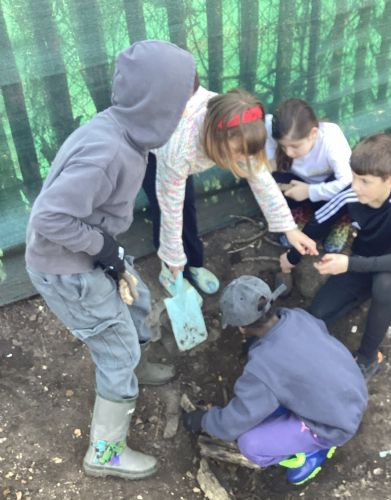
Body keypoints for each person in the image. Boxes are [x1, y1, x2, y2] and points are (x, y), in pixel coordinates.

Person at [25, 41, 196, 479]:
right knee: (115, 350)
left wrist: (110, 254)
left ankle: (136, 363)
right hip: (67, 269)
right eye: (178, 104)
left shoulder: (125, 130)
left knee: (138, 301)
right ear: (154, 105)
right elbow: (50, 217)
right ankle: (104, 452)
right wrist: (104, 251)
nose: (182, 113)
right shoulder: (106, 153)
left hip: (89, 249)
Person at [182, 275, 368, 485]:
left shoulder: (263, 367)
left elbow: (233, 423)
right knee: (270, 401)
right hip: (353, 388)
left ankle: (313, 452)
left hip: (333, 426)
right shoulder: (297, 316)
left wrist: (204, 420)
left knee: (250, 444)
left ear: (242, 327)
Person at [149, 87, 318, 298]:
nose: (241, 160)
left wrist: (289, 229)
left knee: (188, 208)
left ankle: (193, 264)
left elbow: (262, 179)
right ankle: (169, 272)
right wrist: (173, 256)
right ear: (216, 139)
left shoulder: (238, 126)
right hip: (155, 148)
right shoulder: (180, 151)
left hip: (187, 148)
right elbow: (170, 208)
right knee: (166, 210)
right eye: (237, 153)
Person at [280, 134, 391, 380]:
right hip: (362, 261)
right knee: (317, 314)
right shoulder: (352, 194)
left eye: (365, 181)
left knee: (384, 285)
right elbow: (318, 223)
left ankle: (368, 358)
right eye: (354, 177)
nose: (355, 186)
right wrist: (292, 257)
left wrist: (348, 263)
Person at [265, 98, 352, 251]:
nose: (289, 152)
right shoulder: (271, 127)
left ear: (313, 133)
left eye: (295, 146)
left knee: (349, 190)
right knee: (274, 178)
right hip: (299, 183)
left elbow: (347, 182)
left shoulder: (331, 140)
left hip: (329, 186)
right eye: (283, 146)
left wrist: (309, 191)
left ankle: (340, 223)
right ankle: (300, 217)